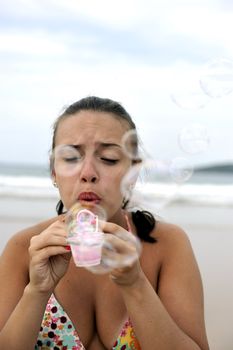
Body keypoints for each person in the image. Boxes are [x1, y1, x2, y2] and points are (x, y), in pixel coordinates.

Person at [0, 96, 209, 350]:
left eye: (108, 158)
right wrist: (37, 291)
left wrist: (135, 284)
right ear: (53, 171)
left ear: (132, 172)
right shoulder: (24, 248)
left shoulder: (168, 245)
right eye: (71, 157)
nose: (88, 172)